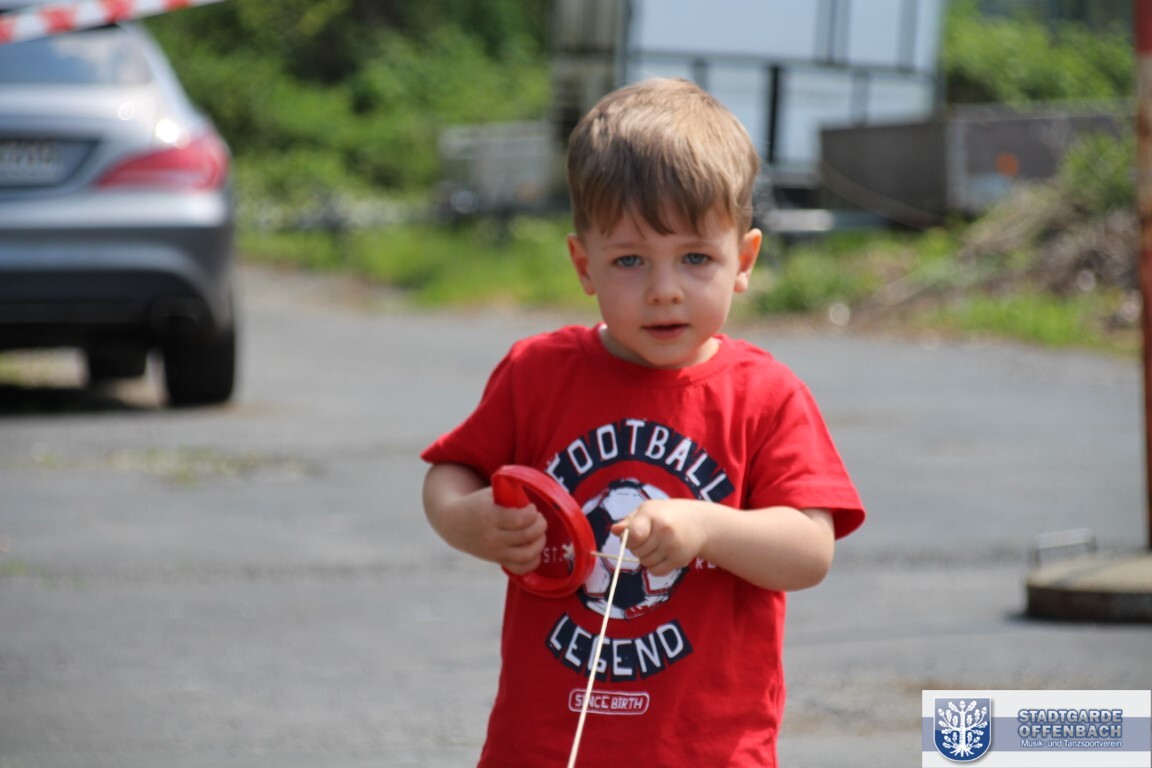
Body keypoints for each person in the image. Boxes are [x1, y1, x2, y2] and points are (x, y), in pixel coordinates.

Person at [421, 77, 865, 767]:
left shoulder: (766, 396)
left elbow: (811, 549)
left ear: (743, 260)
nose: (664, 290)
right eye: (629, 260)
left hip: (705, 750)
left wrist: (706, 526)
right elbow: (451, 471)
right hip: (544, 746)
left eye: (696, 258)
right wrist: (465, 519)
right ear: (584, 265)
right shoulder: (537, 374)